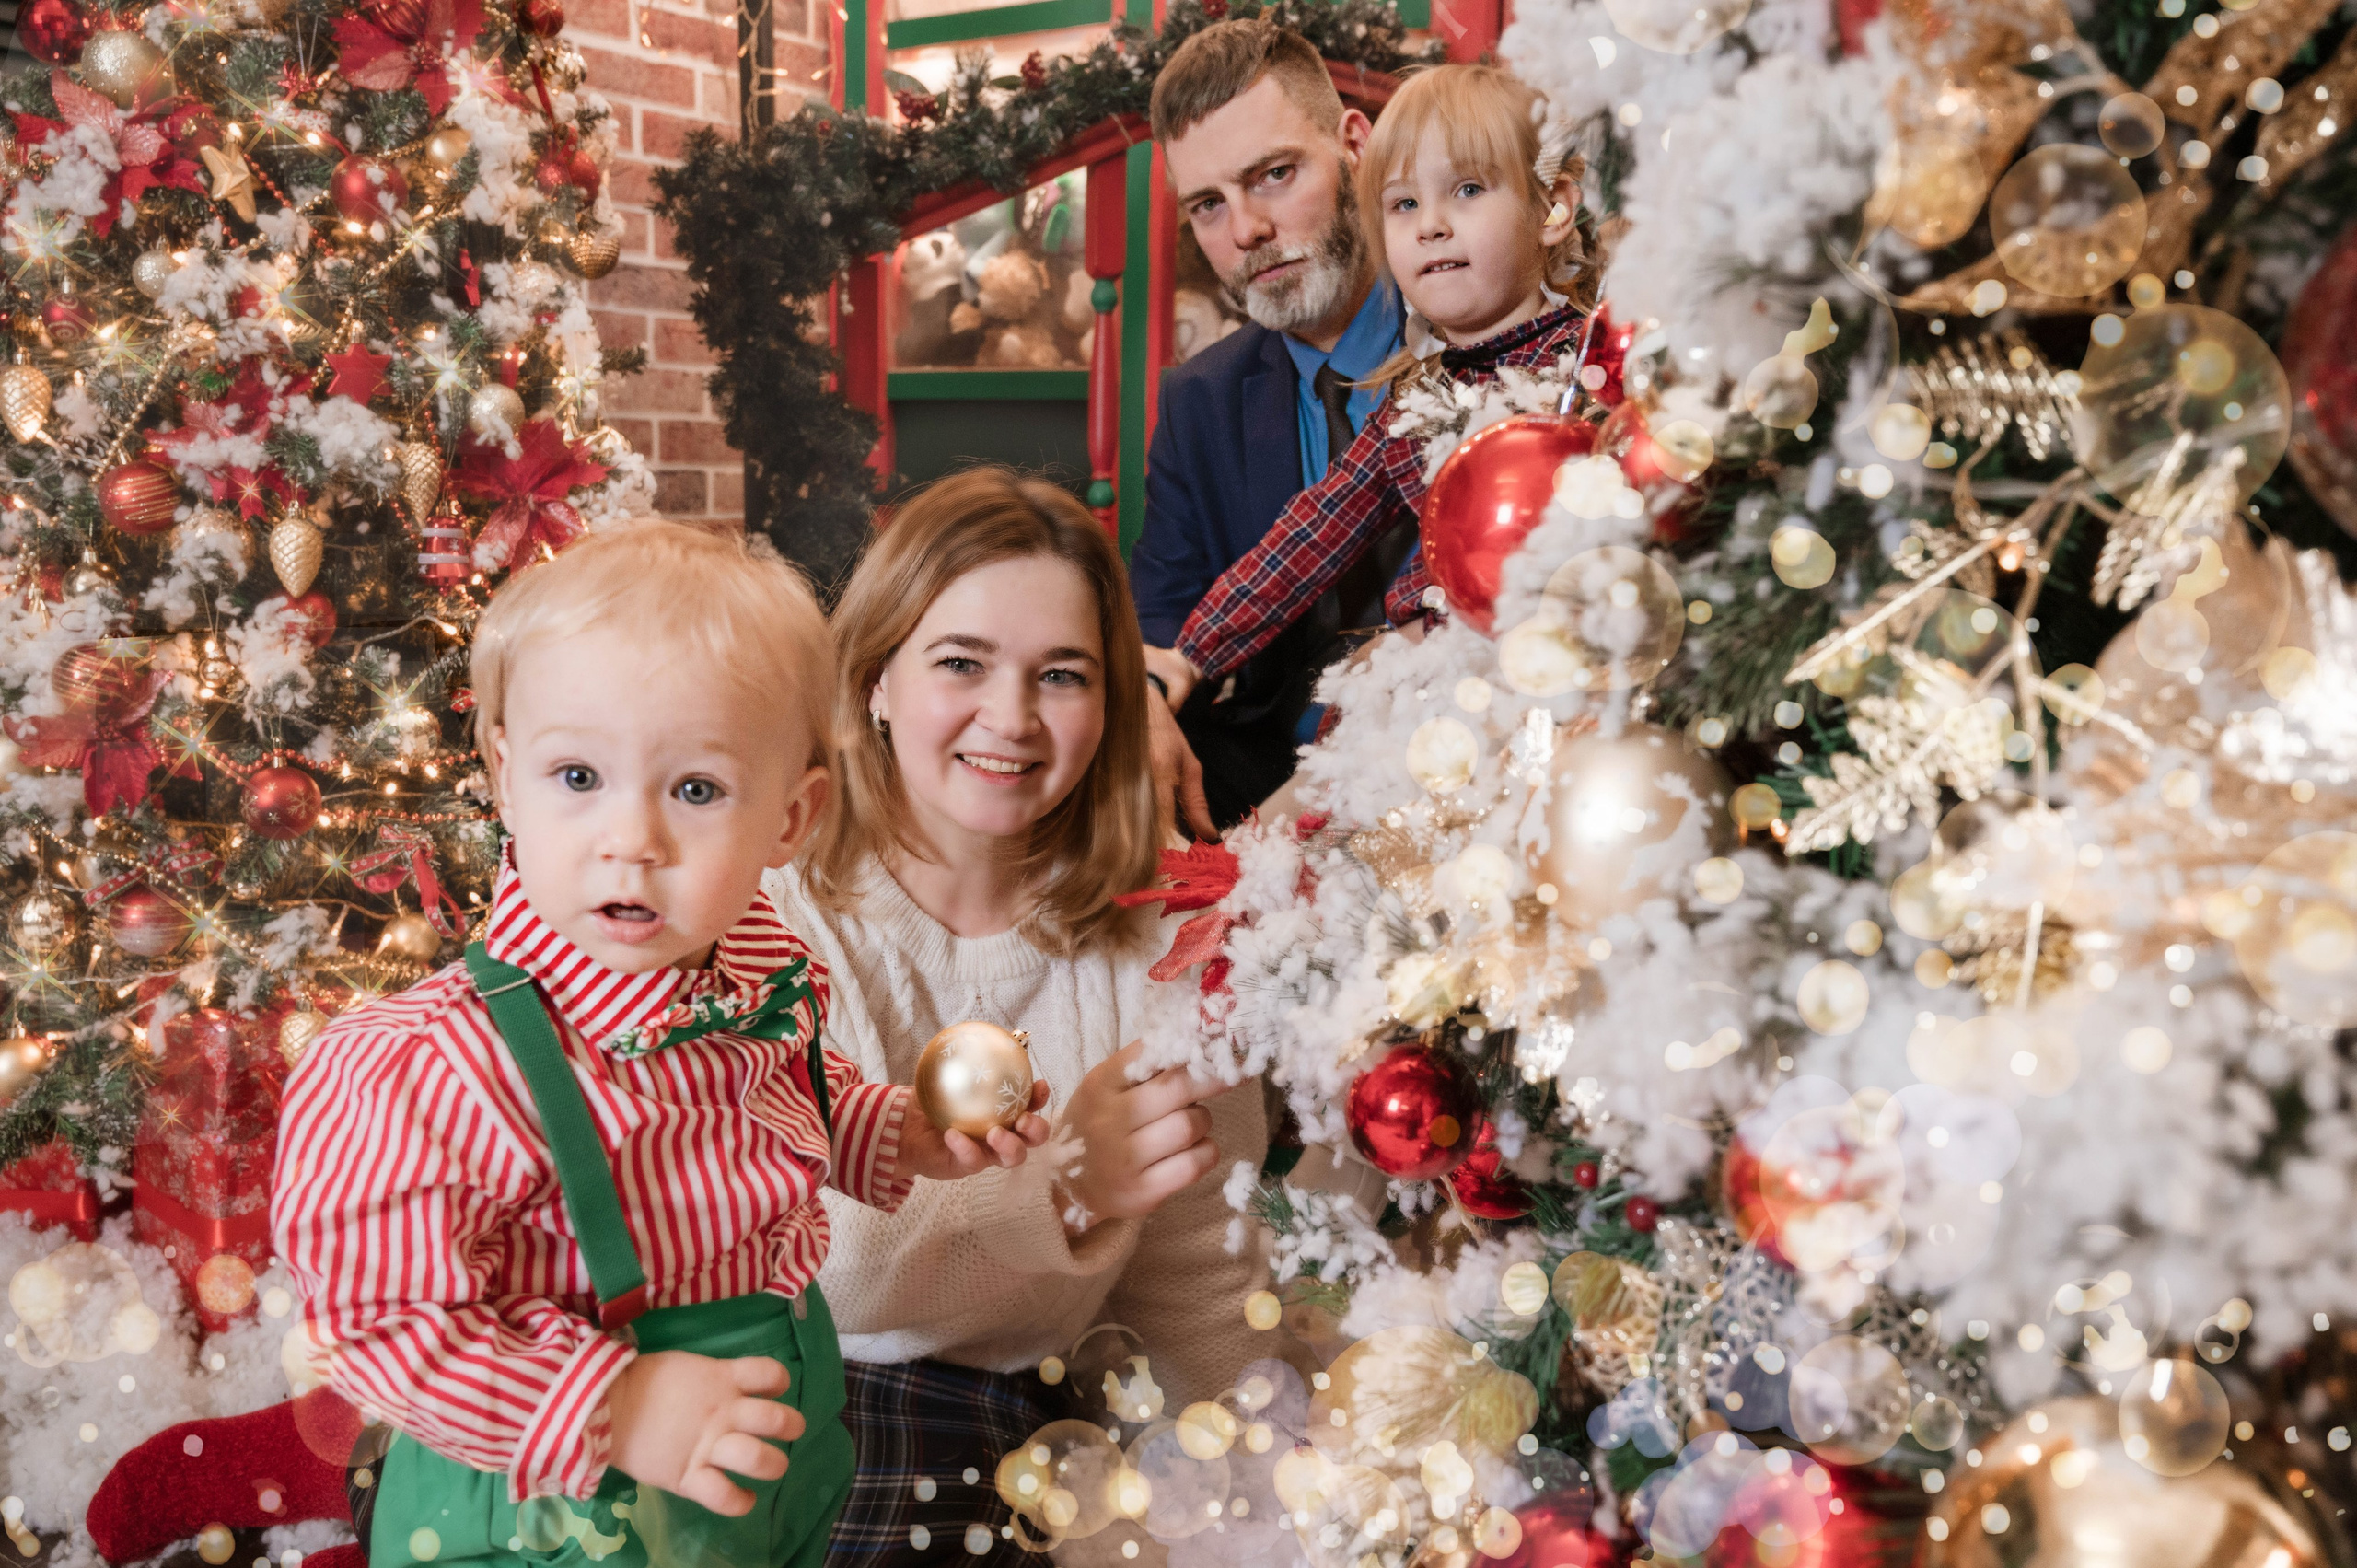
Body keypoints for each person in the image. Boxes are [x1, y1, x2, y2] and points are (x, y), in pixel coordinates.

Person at [269, 520, 1051, 1568]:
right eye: (578, 776)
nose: (630, 837)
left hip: (776, 1430)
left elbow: (787, 1097)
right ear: (505, 774)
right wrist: (616, 1402)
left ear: (790, 817)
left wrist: (897, 1133)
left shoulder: (758, 973)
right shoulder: (425, 1069)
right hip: (559, 1505)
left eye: (695, 790)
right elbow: (379, 1322)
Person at [772, 466, 1269, 1565]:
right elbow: (816, 1265)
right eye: (961, 663)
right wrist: (1061, 1185)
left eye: (1062, 675)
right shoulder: (768, 910)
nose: (1012, 718)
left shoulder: (1169, 929)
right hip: (790, 1389)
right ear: (876, 678)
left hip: (1017, 1411)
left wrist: (1264, 1500)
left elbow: (1198, 1274)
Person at [1151, 63, 1588, 713]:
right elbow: (1311, 534)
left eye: (1467, 188)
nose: (1430, 225)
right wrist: (1188, 657)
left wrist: (1414, 642)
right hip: (1418, 702)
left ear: (1551, 206)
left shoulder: (1592, 363)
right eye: (1405, 204)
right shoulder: (1413, 399)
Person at [1130, 18, 1412, 834]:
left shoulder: (1470, 335)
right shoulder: (1200, 399)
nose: (1246, 230)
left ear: (1354, 145)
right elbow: (1163, 627)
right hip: (1256, 780)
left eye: (1275, 175)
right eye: (1209, 204)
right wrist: (1143, 701)